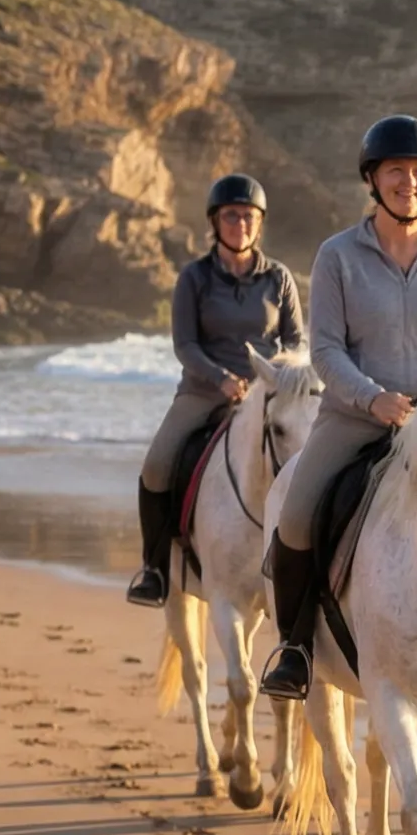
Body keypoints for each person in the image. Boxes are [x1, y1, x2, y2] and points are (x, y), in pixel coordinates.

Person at [260, 115, 417, 700]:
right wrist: (371, 397)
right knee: (298, 514)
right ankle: (296, 648)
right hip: (355, 418)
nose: (409, 181)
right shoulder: (337, 256)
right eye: (396, 171)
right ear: (373, 180)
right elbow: (324, 349)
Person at [126, 175, 303, 607]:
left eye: (248, 216)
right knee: (156, 466)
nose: (240, 223)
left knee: (305, 459)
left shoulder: (279, 278)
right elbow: (184, 344)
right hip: (204, 392)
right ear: (215, 222)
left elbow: (297, 342)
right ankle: (154, 568)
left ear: (259, 223)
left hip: (266, 395)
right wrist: (221, 377)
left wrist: (273, 377)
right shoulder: (194, 278)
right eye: (231, 215)